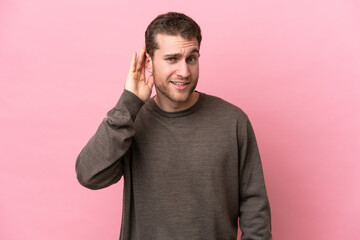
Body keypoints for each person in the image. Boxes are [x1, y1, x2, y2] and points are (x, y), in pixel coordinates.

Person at [76, 12, 272, 240]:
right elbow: (89, 175)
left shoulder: (233, 120)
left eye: (191, 58)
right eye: (172, 59)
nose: (184, 72)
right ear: (148, 62)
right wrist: (129, 103)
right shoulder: (131, 120)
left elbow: (254, 205)